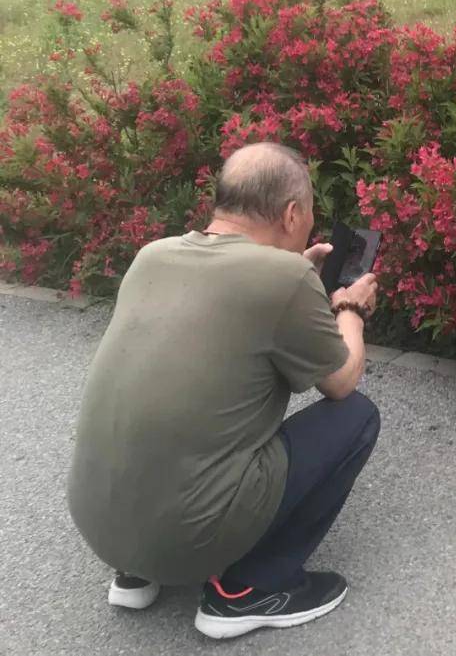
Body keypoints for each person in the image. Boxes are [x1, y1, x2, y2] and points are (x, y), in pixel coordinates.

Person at [67, 142, 381, 640]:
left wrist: (291, 271)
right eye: (308, 214)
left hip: (99, 527)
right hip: (190, 536)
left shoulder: (154, 255)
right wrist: (351, 310)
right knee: (357, 416)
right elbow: (342, 380)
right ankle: (250, 589)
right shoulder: (285, 277)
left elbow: (223, 306)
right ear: (293, 213)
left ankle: (137, 569)